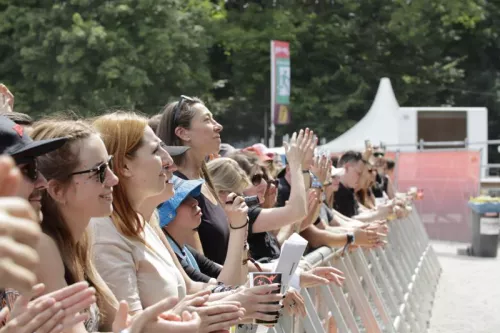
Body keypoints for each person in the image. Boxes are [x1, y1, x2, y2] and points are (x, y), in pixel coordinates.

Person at [31, 119, 202, 333]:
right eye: (99, 171)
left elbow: (121, 322)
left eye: (109, 165)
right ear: (56, 190)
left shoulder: (81, 237)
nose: (113, 179)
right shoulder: (46, 245)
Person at [156, 96, 229, 264]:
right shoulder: (177, 191)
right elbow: (202, 270)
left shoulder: (203, 181)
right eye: (207, 120)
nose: (218, 126)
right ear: (183, 133)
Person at [157, 175, 249, 285]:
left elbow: (239, 279)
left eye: (191, 196)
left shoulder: (185, 250)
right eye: (182, 200)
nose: (194, 201)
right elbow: (224, 287)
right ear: (163, 217)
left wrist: (242, 232)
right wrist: (237, 228)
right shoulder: (170, 255)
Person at [334, 151, 393, 222]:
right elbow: (347, 221)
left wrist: (380, 212)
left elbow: (360, 212)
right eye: (359, 173)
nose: (360, 177)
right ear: (346, 168)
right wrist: (377, 214)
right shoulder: (336, 191)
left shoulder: (349, 191)